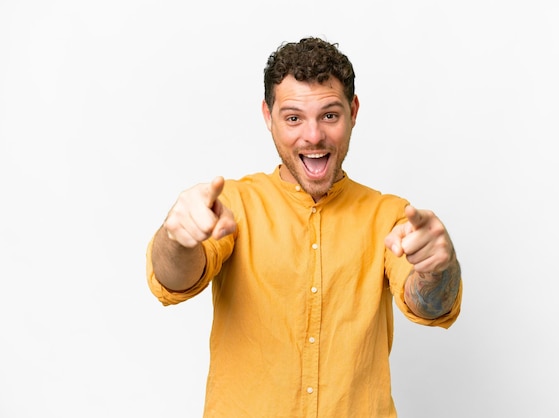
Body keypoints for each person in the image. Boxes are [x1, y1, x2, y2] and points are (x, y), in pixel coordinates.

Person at [146, 36, 463, 418]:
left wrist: (438, 269)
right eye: (293, 118)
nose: (313, 136)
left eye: (329, 115)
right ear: (268, 116)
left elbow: (430, 305)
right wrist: (176, 240)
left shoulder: (390, 216)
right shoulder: (233, 205)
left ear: (353, 111)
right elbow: (174, 280)